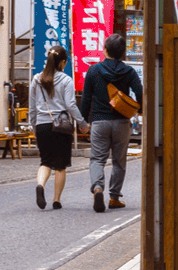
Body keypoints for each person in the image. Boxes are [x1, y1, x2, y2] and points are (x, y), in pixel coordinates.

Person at [77, 33, 141, 212]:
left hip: (99, 121)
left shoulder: (94, 70)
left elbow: (86, 98)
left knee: (97, 159)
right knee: (119, 160)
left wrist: (84, 121)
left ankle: (98, 188)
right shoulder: (128, 71)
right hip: (121, 121)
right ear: (123, 53)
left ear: (105, 49)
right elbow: (140, 92)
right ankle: (114, 198)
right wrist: (140, 108)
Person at [27, 45, 81, 210]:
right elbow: (71, 105)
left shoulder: (36, 79)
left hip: (42, 126)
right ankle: (56, 200)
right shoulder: (66, 80)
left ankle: (40, 185)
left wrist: (34, 126)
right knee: (60, 165)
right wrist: (82, 123)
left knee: (45, 162)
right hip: (61, 127)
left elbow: (31, 107)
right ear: (63, 62)